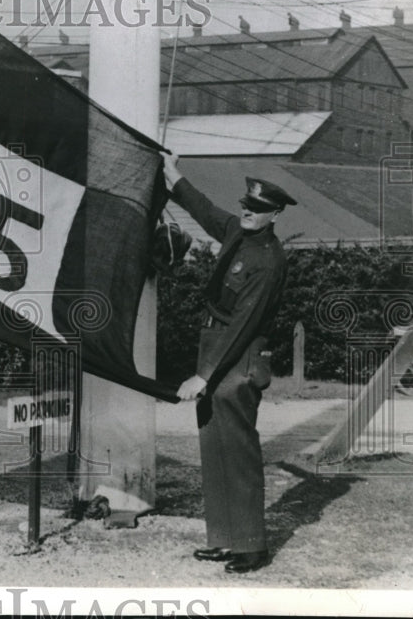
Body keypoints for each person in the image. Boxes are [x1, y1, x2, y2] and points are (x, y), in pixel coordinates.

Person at [162, 152, 295, 574]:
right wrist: (171, 172)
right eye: (246, 205)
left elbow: (244, 323)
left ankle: (251, 546)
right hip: (217, 347)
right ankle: (223, 539)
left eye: (257, 209)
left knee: (236, 450)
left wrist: (204, 374)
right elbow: (203, 210)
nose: (247, 213)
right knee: (213, 446)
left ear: (273, 214)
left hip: (238, 357)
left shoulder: (269, 261)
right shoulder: (238, 232)